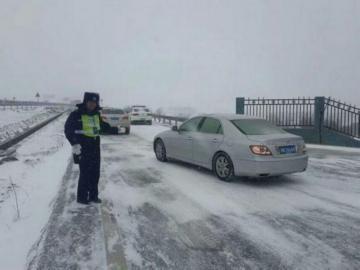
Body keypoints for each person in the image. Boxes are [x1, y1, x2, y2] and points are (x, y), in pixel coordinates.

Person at [64, 92, 118, 205]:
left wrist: (112, 129)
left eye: (94, 102)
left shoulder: (96, 115)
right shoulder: (76, 114)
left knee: (95, 173)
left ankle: (93, 196)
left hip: (95, 147)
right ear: (86, 102)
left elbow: (102, 126)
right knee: (84, 173)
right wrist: (75, 144)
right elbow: (68, 129)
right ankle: (82, 197)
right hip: (82, 147)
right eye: (90, 102)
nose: (92, 104)